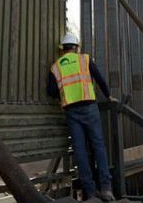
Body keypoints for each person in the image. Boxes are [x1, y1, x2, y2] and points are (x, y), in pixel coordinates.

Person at [47, 33, 115, 201]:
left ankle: (90, 192)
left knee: (80, 152)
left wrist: (61, 96)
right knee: (98, 146)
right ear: (76, 47)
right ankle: (106, 188)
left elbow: (51, 91)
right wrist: (108, 96)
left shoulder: (56, 67)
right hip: (90, 108)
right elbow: (100, 79)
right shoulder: (84, 60)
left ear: (63, 49)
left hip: (71, 112)